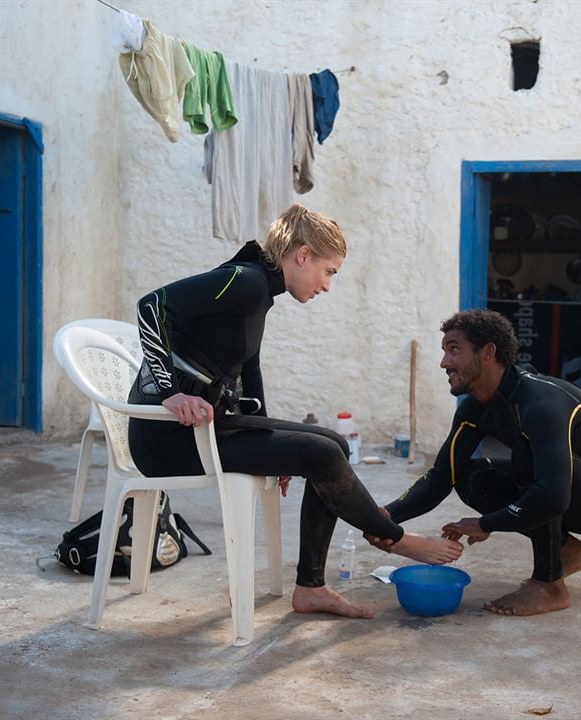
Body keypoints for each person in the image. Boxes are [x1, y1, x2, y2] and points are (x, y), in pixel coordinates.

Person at [127, 204, 463, 619]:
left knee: (331, 444)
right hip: (166, 438)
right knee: (320, 453)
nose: (328, 285)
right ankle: (394, 538)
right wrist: (169, 394)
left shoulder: (260, 292)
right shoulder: (245, 281)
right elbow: (151, 306)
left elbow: (249, 370)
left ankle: (311, 588)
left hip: (204, 429)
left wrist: (272, 445)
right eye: (329, 271)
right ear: (302, 255)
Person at [367, 309, 581, 616]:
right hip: (568, 490)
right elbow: (441, 478)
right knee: (473, 477)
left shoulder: (541, 403)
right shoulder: (474, 409)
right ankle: (566, 551)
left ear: (488, 352)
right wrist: (386, 516)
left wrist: (486, 523)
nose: (444, 363)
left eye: (454, 349)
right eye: (444, 351)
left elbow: (553, 494)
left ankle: (550, 585)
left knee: (528, 461)